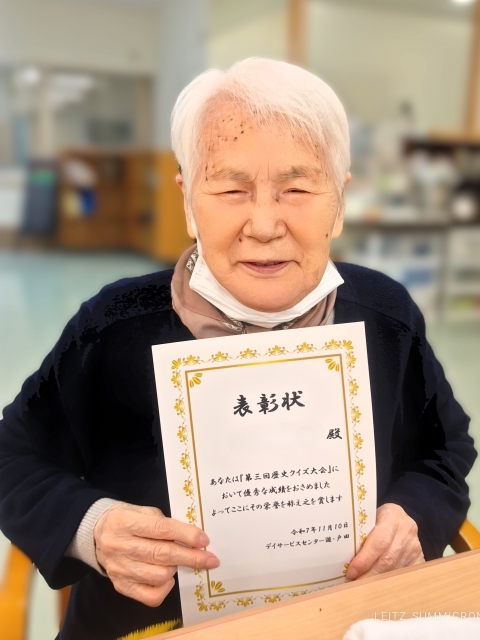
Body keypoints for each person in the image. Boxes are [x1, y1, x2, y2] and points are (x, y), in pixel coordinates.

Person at [0, 58, 476, 640]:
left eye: (297, 188)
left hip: (346, 620)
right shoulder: (112, 326)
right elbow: (12, 456)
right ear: (187, 201)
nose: (265, 224)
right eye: (231, 189)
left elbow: (445, 448)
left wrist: (411, 515)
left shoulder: (386, 315)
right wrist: (92, 529)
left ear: (340, 201)